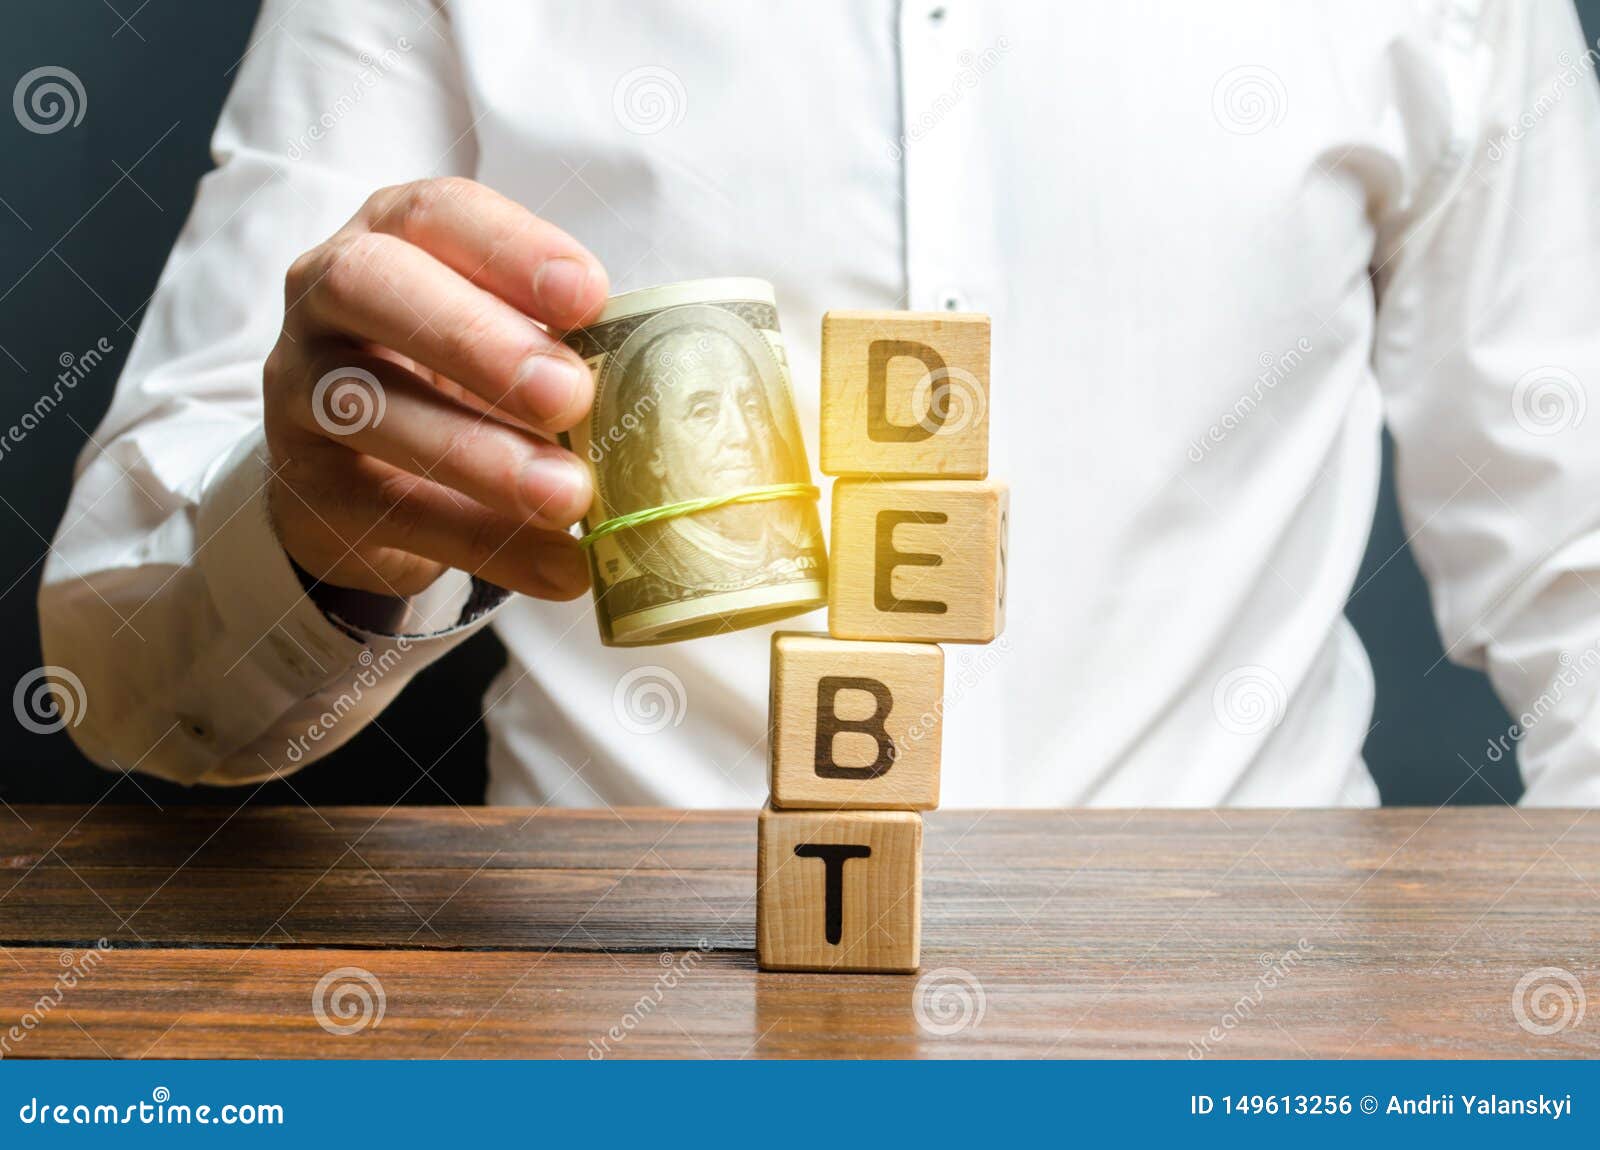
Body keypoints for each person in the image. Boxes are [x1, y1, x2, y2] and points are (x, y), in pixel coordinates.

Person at [38, 0, 1600, 806]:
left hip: (1248, 1051)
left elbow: (1581, 571)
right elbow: (123, 678)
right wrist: (323, 546)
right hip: (615, 1052)